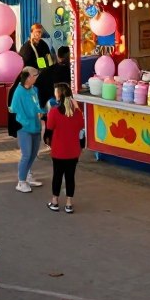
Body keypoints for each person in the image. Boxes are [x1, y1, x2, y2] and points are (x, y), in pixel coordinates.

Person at [45, 84, 84, 213]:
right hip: (73, 151)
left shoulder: (54, 112)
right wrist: (77, 107)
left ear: (59, 96)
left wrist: (48, 143)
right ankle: (69, 203)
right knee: (70, 177)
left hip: (58, 151)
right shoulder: (77, 113)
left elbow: (48, 130)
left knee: (57, 176)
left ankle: (55, 201)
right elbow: (81, 126)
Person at [9, 67, 43, 193]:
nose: (37, 77)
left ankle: (27, 175)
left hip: (35, 126)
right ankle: (21, 181)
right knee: (26, 154)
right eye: (35, 75)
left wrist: (41, 112)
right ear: (28, 77)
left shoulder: (34, 90)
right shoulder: (18, 92)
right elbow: (15, 110)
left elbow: (37, 105)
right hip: (24, 128)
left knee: (33, 154)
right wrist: (27, 120)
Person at [37, 45, 71, 109]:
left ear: (58, 57)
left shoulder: (46, 71)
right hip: (55, 104)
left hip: (42, 103)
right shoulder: (70, 71)